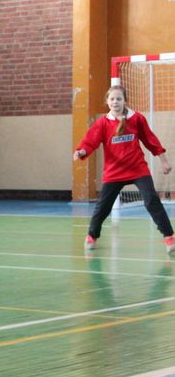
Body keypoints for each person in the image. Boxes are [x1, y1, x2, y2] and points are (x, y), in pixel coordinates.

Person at [74, 84, 175, 253]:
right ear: (107, 101)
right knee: (103, 205)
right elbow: (90, 141)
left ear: (125, 101)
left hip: (137, 169)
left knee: (151, 200)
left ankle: (169, 237)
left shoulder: (137, 119)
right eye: (112, 99)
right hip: (114, 172)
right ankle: (92, 236)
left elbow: (150, 140)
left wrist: (163, 161)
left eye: (119, 99)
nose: (115, 102)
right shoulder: (103, 123)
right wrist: (82, 151)